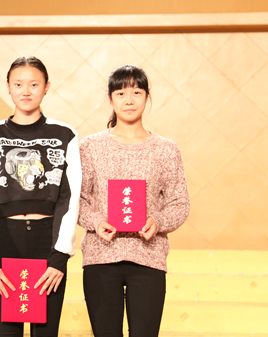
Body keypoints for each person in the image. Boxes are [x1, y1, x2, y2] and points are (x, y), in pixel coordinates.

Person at [0, 56, 82, 337]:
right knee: (7, 332)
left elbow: (69, 199)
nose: (26, 91)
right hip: (4, 240)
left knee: (46, 332)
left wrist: (59, 256)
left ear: (46, 87)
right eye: (18, 84)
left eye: (34, 84)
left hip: (48, 241)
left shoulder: (65, 135)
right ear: (8, 87)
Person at [78, 64, 190, 337]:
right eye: (121, 93)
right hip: (100, 258)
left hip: (148, 259)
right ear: (110, 99)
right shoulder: (90, 147)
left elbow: (180, 203)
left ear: (147, 97)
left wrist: (158, 221)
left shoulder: (166, 150)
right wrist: (96, 222)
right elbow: (76, 200)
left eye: (136, 92)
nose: (129, 100)